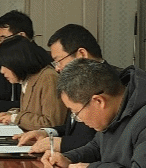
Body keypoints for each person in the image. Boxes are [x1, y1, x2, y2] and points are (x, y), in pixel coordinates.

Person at [17, 23, 103, 155]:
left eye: (59, 61)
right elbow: (73, 128)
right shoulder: (78, 80)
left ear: (81, 54)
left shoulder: (112, 83)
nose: (57, 68)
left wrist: (61, 143)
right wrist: (46, 132)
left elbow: (103, 142)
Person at [0, 35, 62, 130]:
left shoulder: (48, 78)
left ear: (16, 62)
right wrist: (10, 114)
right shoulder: (28, 79)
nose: (2, 71)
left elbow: (51, 123)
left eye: (4, 65)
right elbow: (31, 112)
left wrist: (15, 118)